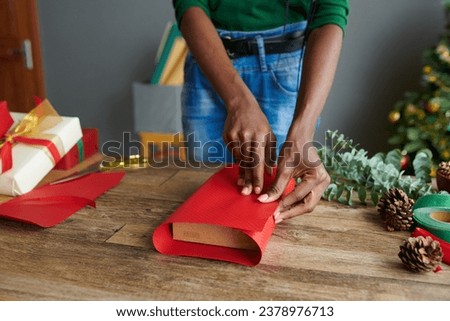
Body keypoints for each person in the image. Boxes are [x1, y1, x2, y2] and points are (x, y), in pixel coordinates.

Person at [172, 0, 349, 223]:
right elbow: (188, 4)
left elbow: (331, 9)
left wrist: (303, 132)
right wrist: (237, 101)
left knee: (273, 210)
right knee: (200, 207)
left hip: (287, 64)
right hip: (209, 59)